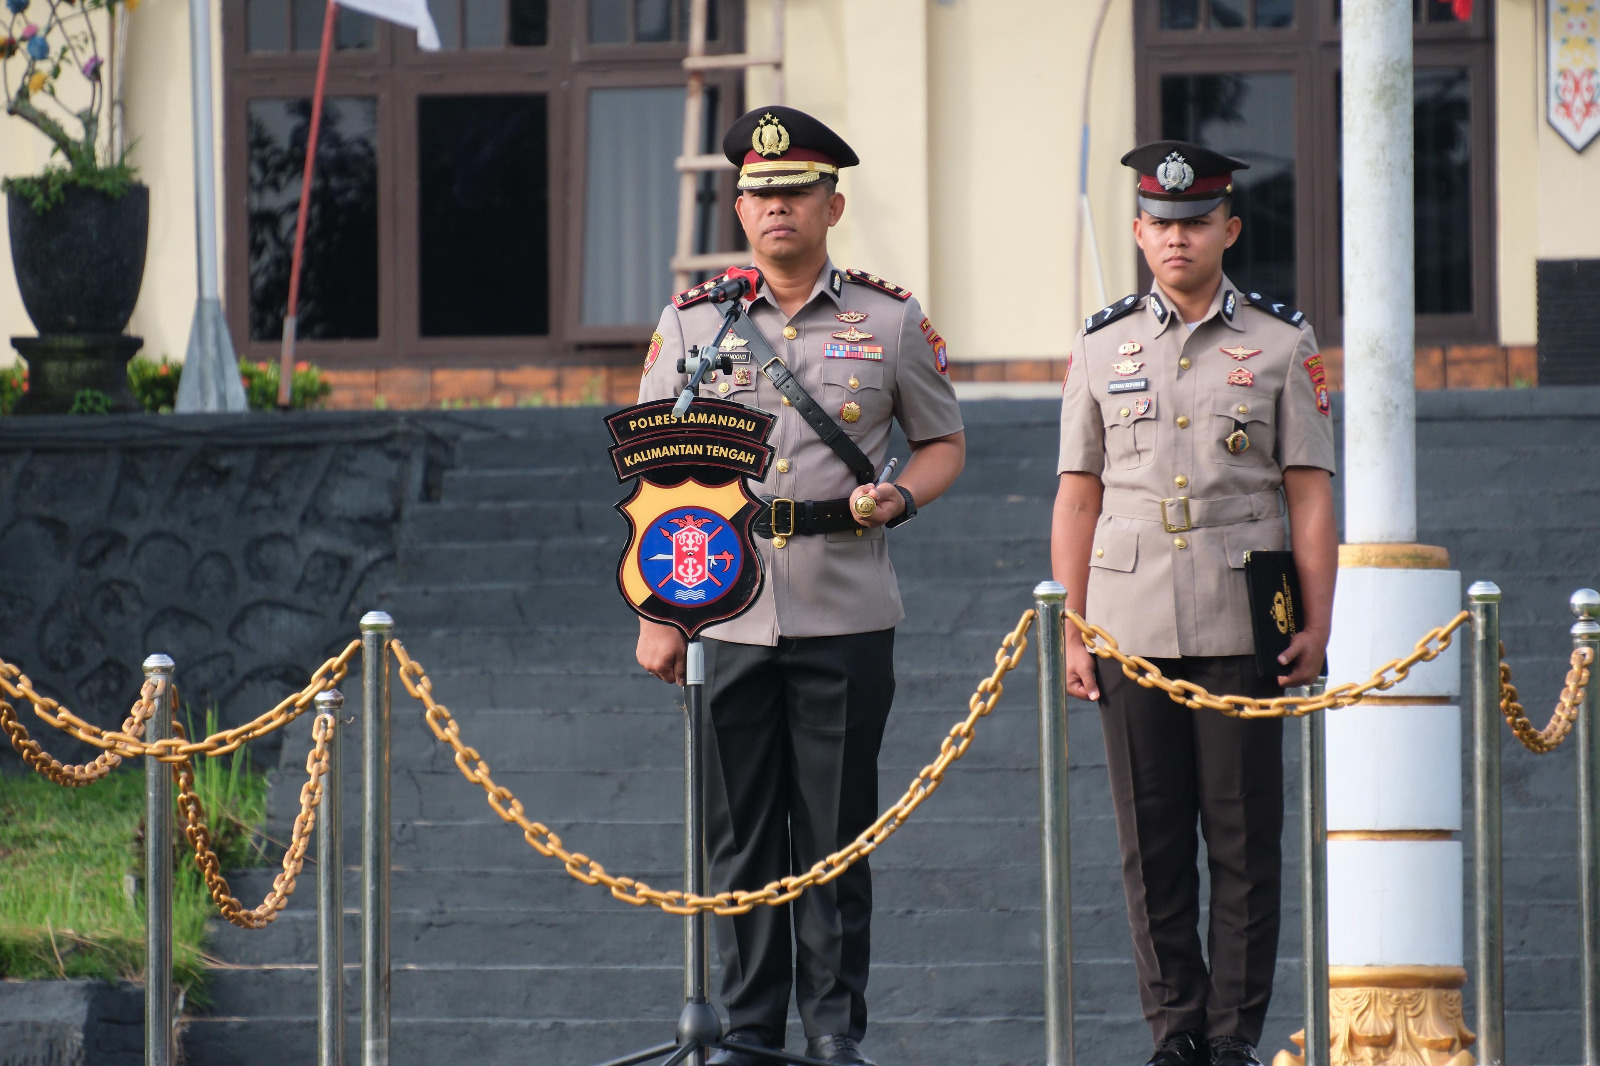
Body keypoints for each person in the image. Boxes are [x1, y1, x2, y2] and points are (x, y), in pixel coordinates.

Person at [635, 104, 966, 1066]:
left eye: (796, 192)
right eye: (760, 193)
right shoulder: (694, 322)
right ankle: (746, 1031)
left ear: (834, 205)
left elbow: (944, 444)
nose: (777, 207)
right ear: (738, 208)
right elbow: (659, 469)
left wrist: (899, 495)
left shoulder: (889, 320)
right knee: (739, 834)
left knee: (833, 835)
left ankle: (831, 1032)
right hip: (724, 600)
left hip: (845, 601)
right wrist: (658, 615)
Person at [1050, 140, 1338, 1066]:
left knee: (1246, 838)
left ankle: (1232, 1039)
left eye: (1196, 222)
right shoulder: (1099, 347)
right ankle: (1176, 1030)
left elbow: (1309, 493)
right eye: (1162, 223)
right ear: (1138, 231)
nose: (1178, 237)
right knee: (1154, 840)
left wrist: (1317, 621)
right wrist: (1075, 624)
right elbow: (1078, 494)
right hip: (1129, 621)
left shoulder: (1282, 343)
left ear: (1229, 229)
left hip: (1245, 611)